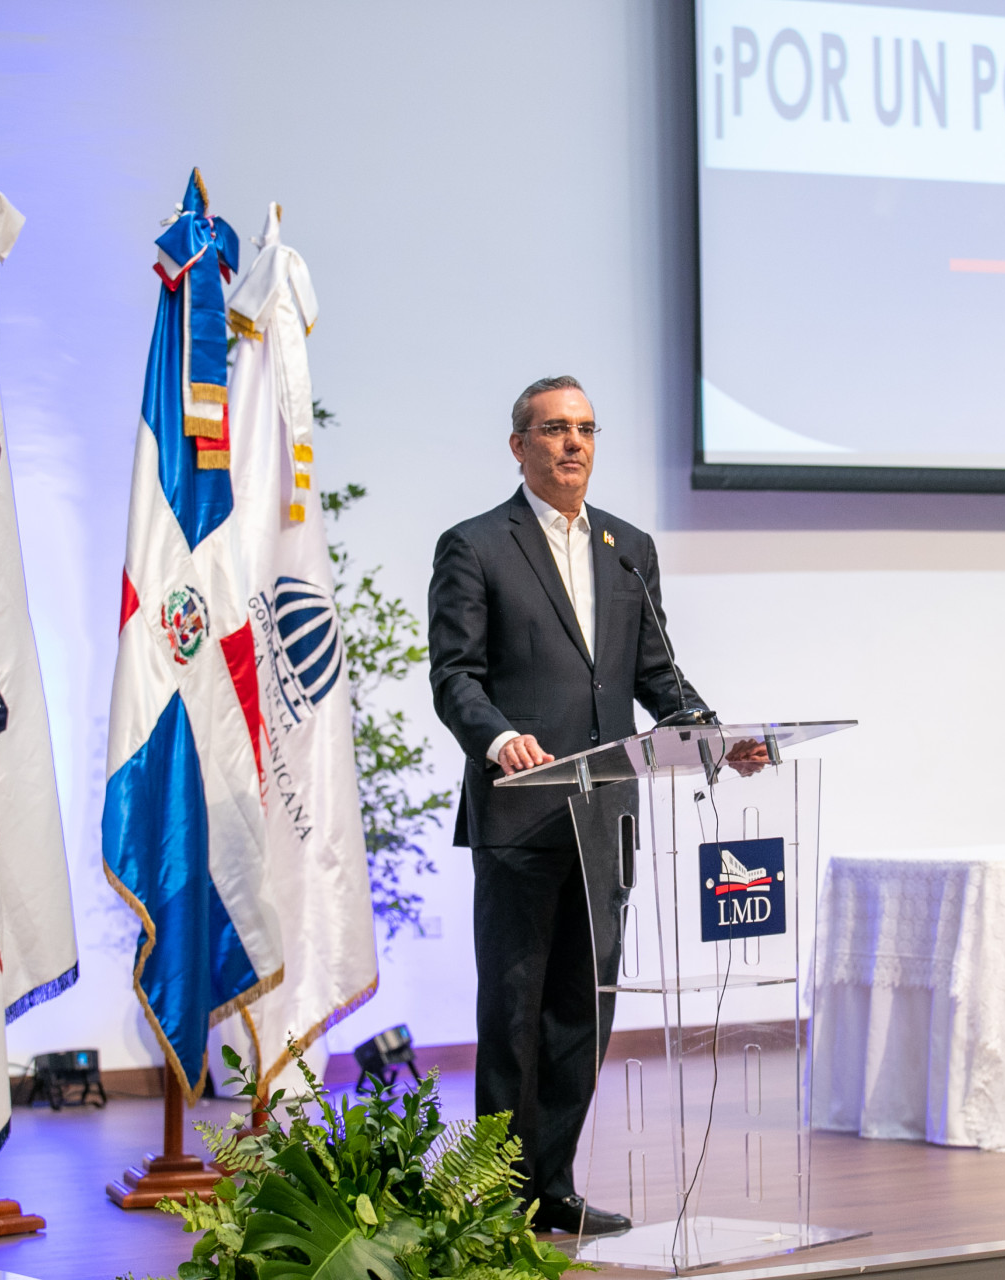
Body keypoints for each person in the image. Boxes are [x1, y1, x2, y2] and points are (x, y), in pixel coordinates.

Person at [428, 375, 711, 1238]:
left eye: (585, 428)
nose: (574, 443)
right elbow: (455, 677)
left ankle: (551, 1184)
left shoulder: (628, 548)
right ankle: (494, 1195)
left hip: (605, 816)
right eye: (555, 429)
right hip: (521, 813)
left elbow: (656, 673)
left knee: (583, 1012)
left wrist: (710, 733)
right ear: (520, 445)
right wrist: (498, 738)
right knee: (513, 1013)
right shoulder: (475, 545)